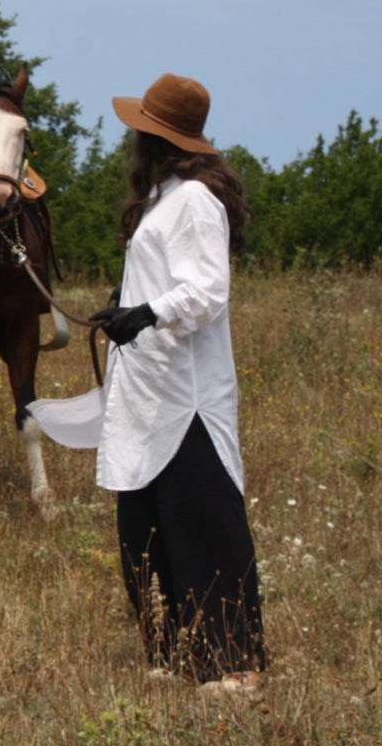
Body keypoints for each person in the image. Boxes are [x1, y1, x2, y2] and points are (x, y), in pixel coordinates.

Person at [29, 73, 266, 693]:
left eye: (139, 131)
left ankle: (234, 664)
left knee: (204, 524)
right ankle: (177, 653)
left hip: (185, 394)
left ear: (154, 138)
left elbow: (208, 289)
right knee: (147, 528)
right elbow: (167, 278)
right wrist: (127, 301)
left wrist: (148, 313)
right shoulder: (167, 196)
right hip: (150, 388)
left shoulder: (193, 201)